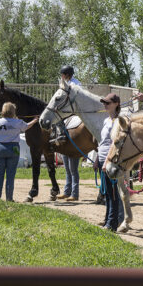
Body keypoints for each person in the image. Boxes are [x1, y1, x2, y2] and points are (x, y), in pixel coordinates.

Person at [0, 102, 39, 201]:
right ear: (13, 111)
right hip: (13, 149)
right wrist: (34, 120)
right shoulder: (18, 122)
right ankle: (9, 198)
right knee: (10, 175)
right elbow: (26, 126)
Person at [93, 92, 124, 232]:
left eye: (108, 103)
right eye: (104, 103)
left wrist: (107, 161)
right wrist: (96, 159)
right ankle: (108, 219)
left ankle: (112, 223)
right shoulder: (106, 121)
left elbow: (114, 143)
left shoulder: (120, 121)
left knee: (112, 193)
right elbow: (102, 142)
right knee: (106, 192)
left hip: (111, 161)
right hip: (102, 159)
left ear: (116, 104)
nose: (105, 105)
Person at [57, 65, 82, 201]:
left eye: (62, 74)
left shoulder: (76, 84)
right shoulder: (64, 83)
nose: (61, 76)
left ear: (67, 74)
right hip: (66, 110)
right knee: (67, 168)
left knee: (73, 169)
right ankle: (67, 191)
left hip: (74, 110)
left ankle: (74, 193)